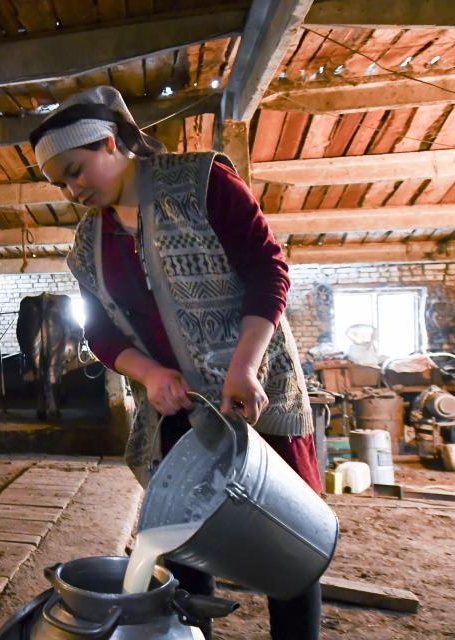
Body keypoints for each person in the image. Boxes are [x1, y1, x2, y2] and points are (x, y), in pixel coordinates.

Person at [30, 85, 322, 640]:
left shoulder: (202, 182)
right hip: (177, 413)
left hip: (256, 399)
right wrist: (150, 374)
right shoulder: (87, 244)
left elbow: (268, 270)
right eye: (60, 183)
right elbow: (100, 332)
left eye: (75, 170)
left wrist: (245, 365)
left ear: (110, 141)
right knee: (184, 555)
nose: (72, 189)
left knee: (289, 547)